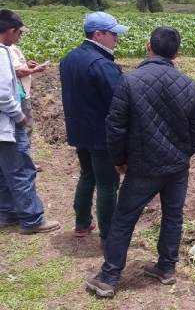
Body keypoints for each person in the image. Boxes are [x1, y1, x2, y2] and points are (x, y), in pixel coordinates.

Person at [85, 26, 195, 298]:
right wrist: (184, 155)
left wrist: (119, 160)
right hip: (177, 167)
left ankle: (109, 277)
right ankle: (166, 269)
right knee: (173, 217)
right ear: (176, 54)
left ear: (148, 47)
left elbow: (115, 126)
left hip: (142, 166)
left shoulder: (130, 81)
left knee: (125, 218)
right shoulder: (190, 84)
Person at [60, 12, 129, 246]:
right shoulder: (102, 64)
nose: (117, 38)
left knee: (87, 176)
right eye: (113, 34)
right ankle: (108, 237)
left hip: (79, 131)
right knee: (108, 185)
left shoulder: (69, 58)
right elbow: (119, 103)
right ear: (98, 35)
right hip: (101, 135)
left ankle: (82, 223)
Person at [0, 9, 60, 234]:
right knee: (21, 169)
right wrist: (19, 116)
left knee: (3, 170)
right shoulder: (2, 53)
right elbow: (3, 95)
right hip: (6, 122)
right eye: (18, 33)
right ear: (11, 30)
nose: (18, 38)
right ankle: (32, 219)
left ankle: (7, 213)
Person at [9, 44, 47, 137]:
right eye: (19, 33)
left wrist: (26, 65)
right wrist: (35, 69)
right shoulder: (8, 48)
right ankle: (23, 149)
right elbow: (18, 71)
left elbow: (17, 67)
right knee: (25, 128)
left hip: (19, 92)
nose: (20, 36)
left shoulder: (9, 48)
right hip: (20, 94)